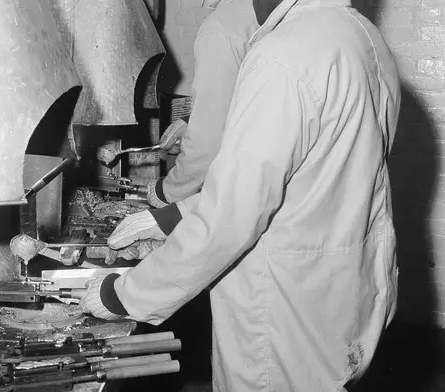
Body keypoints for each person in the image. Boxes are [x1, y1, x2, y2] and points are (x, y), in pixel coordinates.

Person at [80, 0, 401, 391]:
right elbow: (304, 182)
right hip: (343, 298)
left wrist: (122, 295)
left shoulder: (282, 58)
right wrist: (170, 217)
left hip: (282, 316)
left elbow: (229, 220)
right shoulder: (362, 35)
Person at [145, 0, 258, 209]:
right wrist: (192, 119)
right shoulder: (255, 12)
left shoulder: (222, 29)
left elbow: (206, 143)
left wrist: (168, 192)